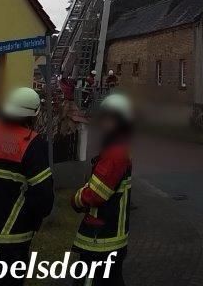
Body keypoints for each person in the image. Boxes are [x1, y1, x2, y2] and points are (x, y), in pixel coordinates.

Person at [0, 87, 54, 285]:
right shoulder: (32, 143)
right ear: (33, 115)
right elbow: (44, 197)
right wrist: (32, 220)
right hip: (12, 242)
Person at [70, 92, 133, 284]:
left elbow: (96, 194)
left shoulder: (115, 153)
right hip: (108, 238)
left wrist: (76, 199)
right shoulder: (118, 147)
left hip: (101, 240)